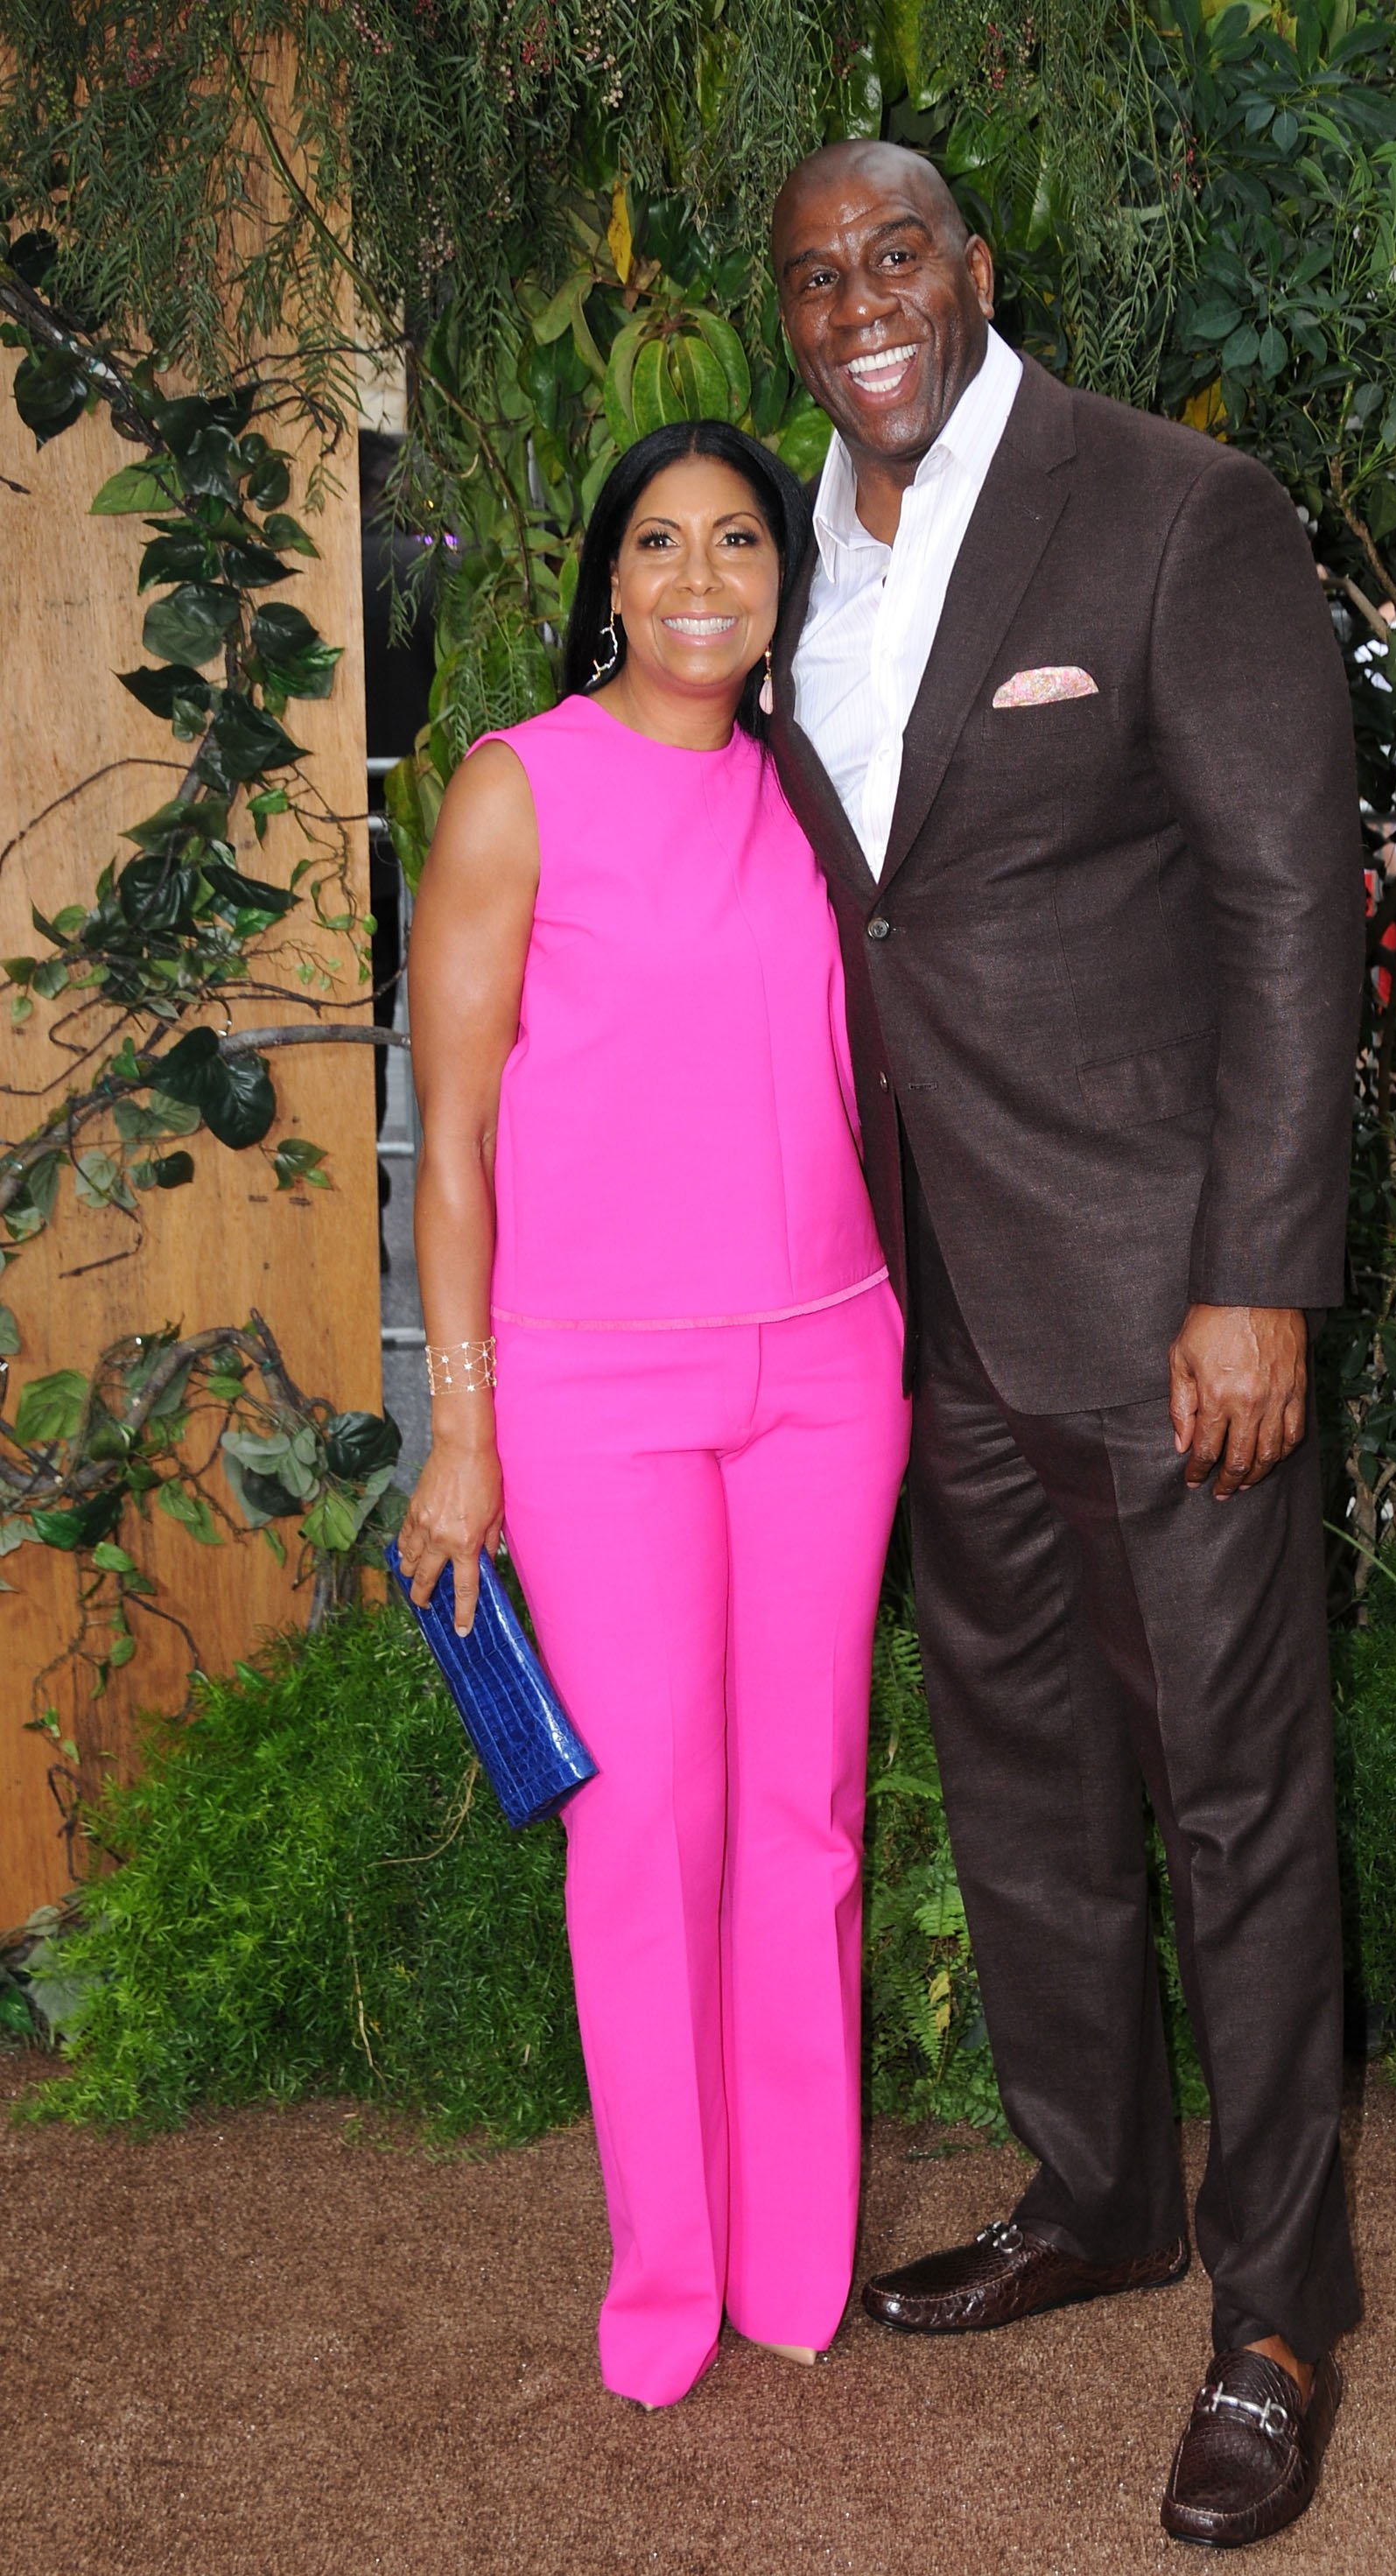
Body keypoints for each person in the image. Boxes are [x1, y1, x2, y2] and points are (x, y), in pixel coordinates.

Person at [767, 142, 1365, 2549]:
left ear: (974, 268)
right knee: (1021, 1787)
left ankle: (1277, 2311)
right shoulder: (783, 548)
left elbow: (1282, 905)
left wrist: (1260, 1272)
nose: (857, 303)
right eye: (813, 278)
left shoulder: (1170, 508)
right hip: (918, 1296)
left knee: (1229, 1798)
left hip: (1162, 1293)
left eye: (893, 253)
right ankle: (1100, 2194)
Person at [394, 420, 910, 2412]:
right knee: (642, 1835)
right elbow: (448, 1155)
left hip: (828, 1371)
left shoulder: (823, 791)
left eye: (740, 546)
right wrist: (464, 1430)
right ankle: (666, 2279)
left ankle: (796, 2262)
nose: (701, 577)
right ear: (608, 574)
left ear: (785, 584)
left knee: (805, 1825)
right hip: (596, 1390)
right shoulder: (518, 791)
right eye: (660, 543)